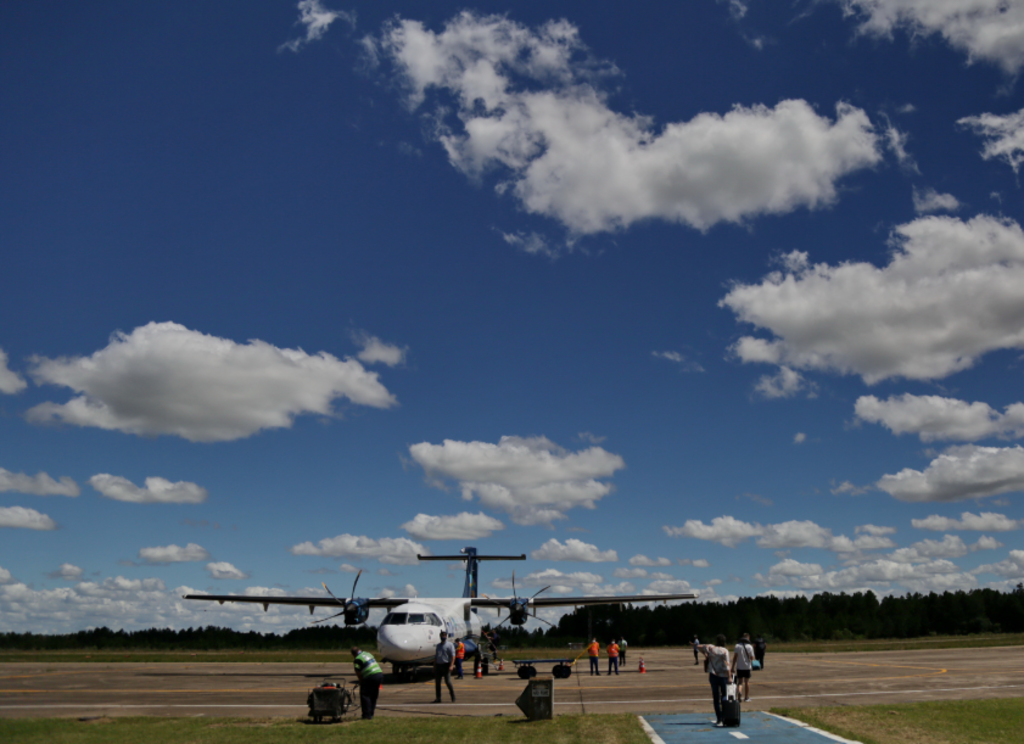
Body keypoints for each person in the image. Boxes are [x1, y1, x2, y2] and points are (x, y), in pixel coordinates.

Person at [697, 635, 731, 728]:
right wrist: (730, 677)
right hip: (723, 675)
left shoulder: (711, 648)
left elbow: (698, 646)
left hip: (713, 675)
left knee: (716, 698)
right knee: (725, 697)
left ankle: (719, 718)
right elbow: (727, 664)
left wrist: (705, 653)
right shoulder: (725, 651)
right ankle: (725, 716)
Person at [350, 646, 384, 720]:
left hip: (370, 676)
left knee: (365, 695)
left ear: (354, 655)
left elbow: (358, 672)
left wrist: (361, 680)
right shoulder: (367, 653)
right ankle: (371, 713)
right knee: (373, 695)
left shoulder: (357, 659)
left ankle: (366, 715)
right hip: (379, 674)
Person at [433, 631, 456, 703]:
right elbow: (436, 656)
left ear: (446, 637)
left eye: (444, 636)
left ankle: (452, 696)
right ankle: (438, 698)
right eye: (442, 636)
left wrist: (451, 665)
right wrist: (434, 666)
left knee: (448, 682)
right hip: (438, 665)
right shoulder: (438, 646)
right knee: (437, 682)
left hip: (446, 665)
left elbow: (453, 656)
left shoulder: (450, 645)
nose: (443, 637)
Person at [731, 633, 755, 703]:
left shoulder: (737, 646)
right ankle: (746, 697)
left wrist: (732, 667)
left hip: (739, 666)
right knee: (747, 681)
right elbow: (752, 658)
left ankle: (739, 691)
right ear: (748, 638)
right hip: (747, 667)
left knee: (740, 682)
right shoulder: (750, 647)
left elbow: (735, 657)